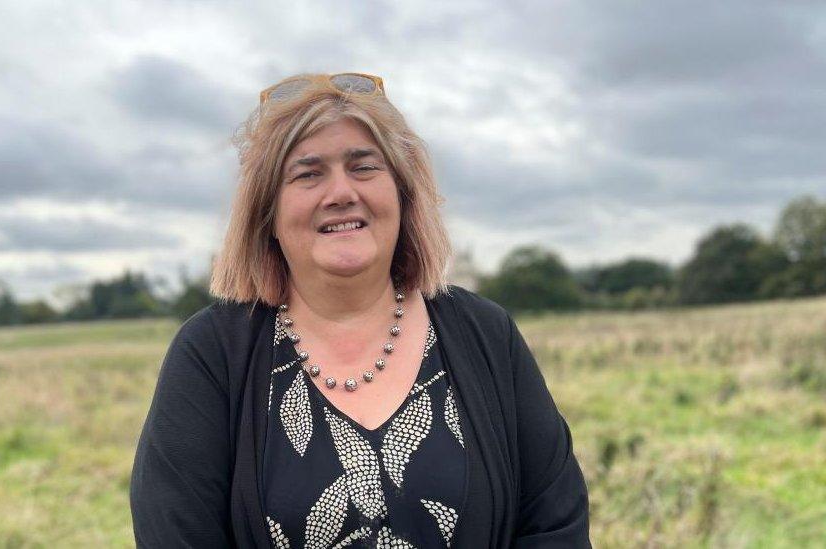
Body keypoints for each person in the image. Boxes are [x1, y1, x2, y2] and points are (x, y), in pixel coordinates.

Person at [130, 73, 590, 548]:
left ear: (402, 194)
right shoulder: (212, 353)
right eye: (308, 173)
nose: (341, 193)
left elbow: (554, 523)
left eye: (363, 167)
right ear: (267, 213)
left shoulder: (487, 334)